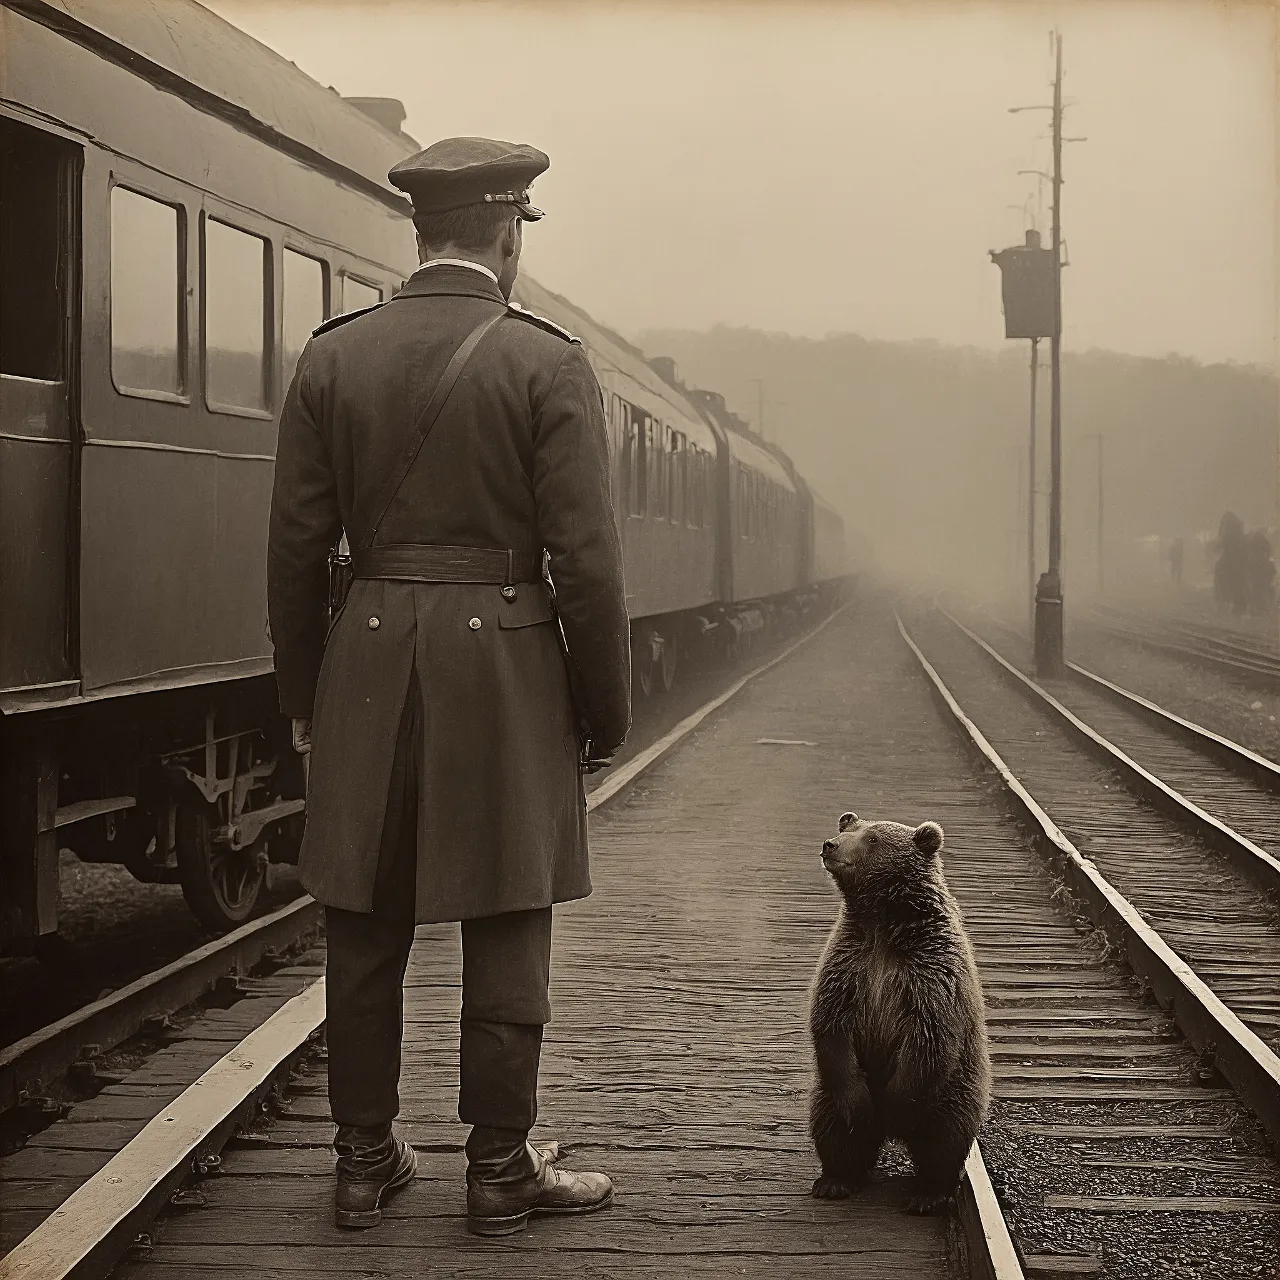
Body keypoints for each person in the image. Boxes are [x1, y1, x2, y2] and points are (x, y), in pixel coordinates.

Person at [267, 136, 631, 1237]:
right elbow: (590, 563)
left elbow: (293, 546)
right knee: (508, 911)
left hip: (367, 657)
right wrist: (600, 708)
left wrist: (301, 690)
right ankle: (497, 1167)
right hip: (507, 663)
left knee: (362, 921)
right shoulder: (547, 361)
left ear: (421, 231)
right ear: (508, 234)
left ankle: (361, 1157)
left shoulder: (332, 355)